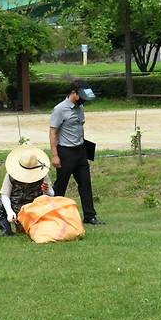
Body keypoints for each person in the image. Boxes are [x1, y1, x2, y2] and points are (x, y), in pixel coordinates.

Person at [49, 80, 104, 225]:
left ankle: (90, 216)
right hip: (65, 152)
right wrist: (55, 155)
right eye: (81, 97)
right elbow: (53, 132)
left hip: (80, 151)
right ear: (73, 93)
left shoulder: (80, 108)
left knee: (85, 184)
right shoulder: (60, 109)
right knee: (61, 185)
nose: (83, 101)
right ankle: (52, 215)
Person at [0, 145, 54, 236]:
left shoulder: (43, 175)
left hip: (34, 210)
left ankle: (33, 226)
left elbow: (52, 195)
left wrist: (47, 190)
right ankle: (6, 229)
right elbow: (5, 195)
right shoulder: (11, 175)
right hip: (15, 207)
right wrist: (9, 211)